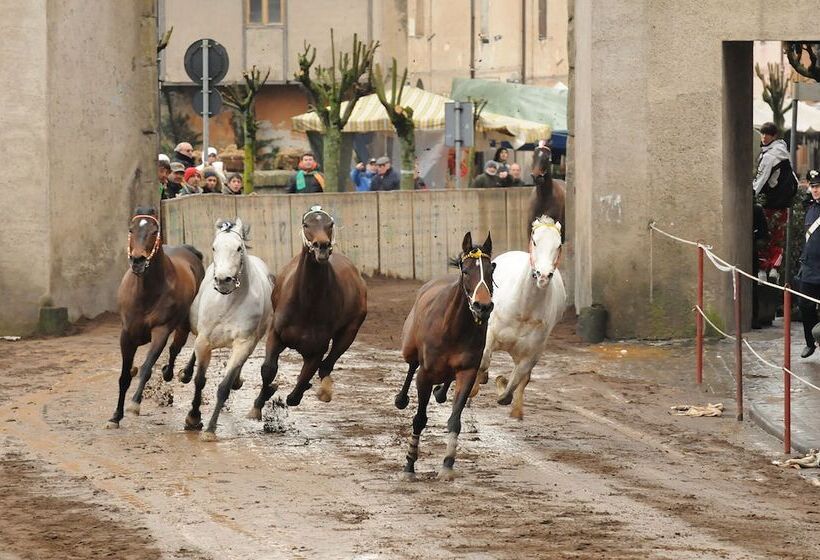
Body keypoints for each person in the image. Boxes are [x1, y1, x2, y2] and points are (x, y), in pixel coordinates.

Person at [753, 122, 798, 282]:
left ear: (774, 136)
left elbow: (760, 180)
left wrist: (751, 194)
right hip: (783, 203)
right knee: (778, 238)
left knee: (765, 236)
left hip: (771, 203)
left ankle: (763, 270)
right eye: (762, 134)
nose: (764, 137)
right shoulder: (783, 151)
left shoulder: (769, 156)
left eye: (767, 135)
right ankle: (775, 270)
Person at [798, 169, 820, 357]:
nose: (815, 190)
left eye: (818, 186)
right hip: (810, 267)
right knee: (804, 305)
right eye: (813, 186)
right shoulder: (810, 207)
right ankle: (810, 342)